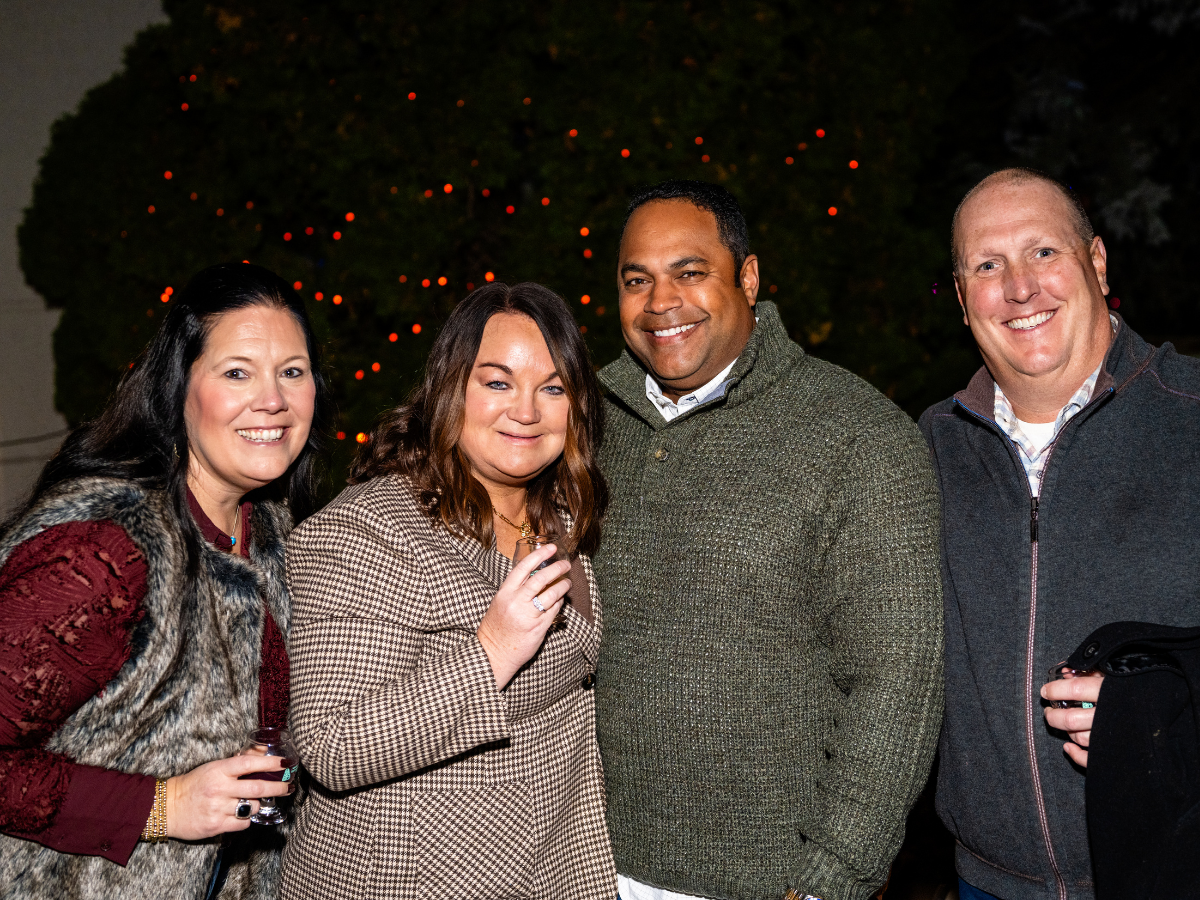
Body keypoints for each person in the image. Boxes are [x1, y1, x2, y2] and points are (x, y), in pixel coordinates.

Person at [591, 179, 945, 900]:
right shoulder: (582, 422)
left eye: (691, 272)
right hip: (580, 864)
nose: (662, 302)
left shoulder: (858, 436)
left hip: (767, 882)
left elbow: (898, 683)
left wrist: (831, 880)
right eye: (638, 280)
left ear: (747, 279)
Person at [0, 263, 331, 899]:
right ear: (180, 390)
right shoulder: (105, 549)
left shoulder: (280, 537)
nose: (273, 399)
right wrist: (161, 805)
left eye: (292, 371)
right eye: (237, 372)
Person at [280, 282, 615, 900]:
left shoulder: (567, 514)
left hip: (552, 865)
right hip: (412, 877)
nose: (526, 410)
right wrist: (490, 653)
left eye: (552, 388)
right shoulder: (368, 529)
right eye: (496, 382)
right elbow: (330, 744)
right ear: (449, 388)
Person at [918, 167, 1200, 900]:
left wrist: (1163, 718)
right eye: (987, 265)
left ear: (1097, 262)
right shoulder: (926, 452)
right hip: (989, 884)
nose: (1019, 287)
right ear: (959, 296)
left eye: (1044, 252)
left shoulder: (1193, 416)